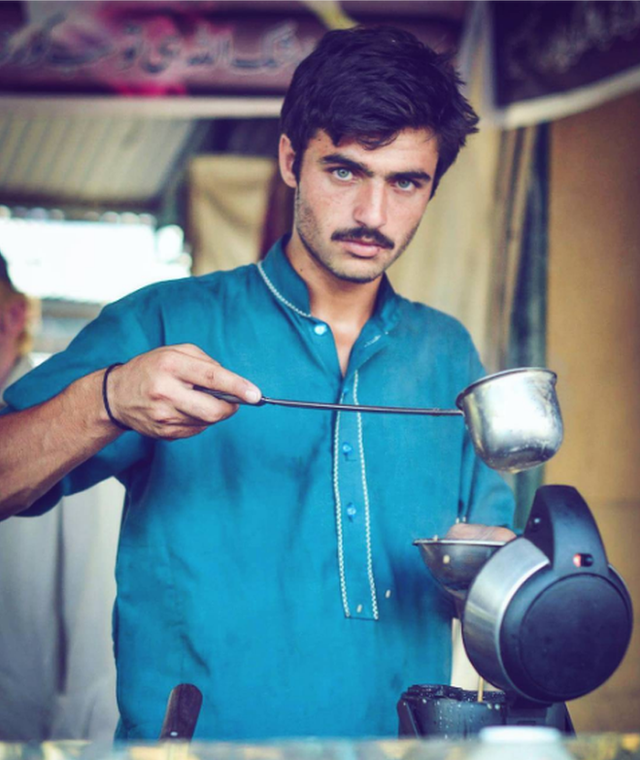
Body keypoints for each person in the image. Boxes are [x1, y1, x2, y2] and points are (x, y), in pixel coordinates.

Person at [0, 27, 514, 740]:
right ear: (290, 160)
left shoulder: (447, 354)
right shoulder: (167, 321)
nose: (373, 214)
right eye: (344, 172)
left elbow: (490, 572)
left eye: (405, 182)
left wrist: (494, 567)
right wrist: (109, 397)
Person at [0, 253, 121, 741]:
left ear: (12, 317)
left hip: (35, 726)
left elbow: (93, 608)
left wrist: (74, 739)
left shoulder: (62, 422)